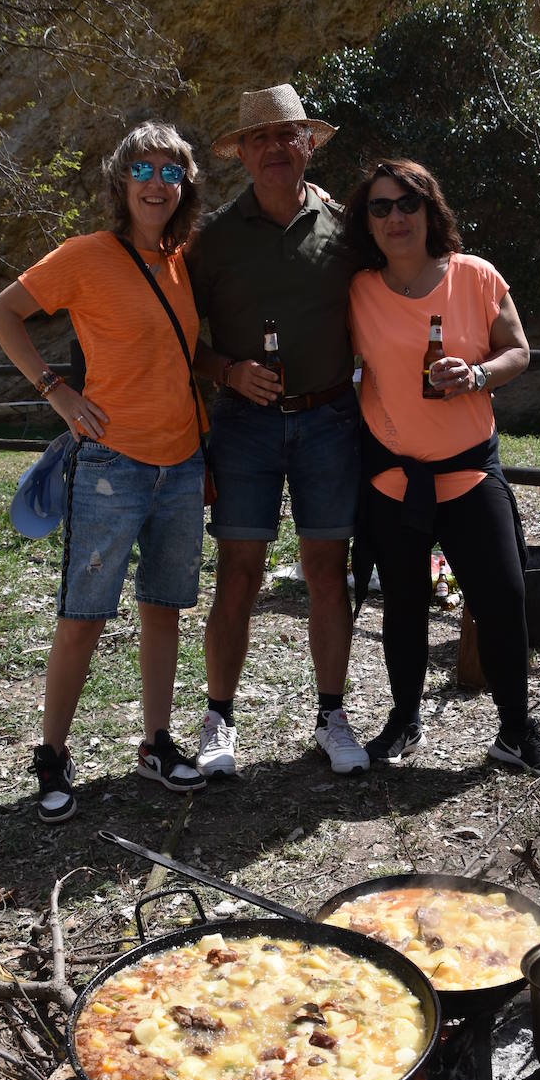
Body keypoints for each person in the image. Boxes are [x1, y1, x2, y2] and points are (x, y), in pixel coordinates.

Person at [0, 121, 209, 821]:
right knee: (83, 617)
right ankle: (52, 757)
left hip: (182, 461)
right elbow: (2, 313)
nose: (156, 184)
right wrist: (56, 389)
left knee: (162, 609)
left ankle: (156, 743)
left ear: (184, 187)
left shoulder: (182, 260)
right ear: (120, 183)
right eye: (143, 170)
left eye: (171, 173)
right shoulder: (85, 255)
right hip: (112, 464)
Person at [343, 158, 540, 774]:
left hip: (469, 471)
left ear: (429, 208)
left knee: (502, 594)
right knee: (405, 606)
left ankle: (516, 731)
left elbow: (518, 351)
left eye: (407, 203)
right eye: (380, 207)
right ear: (367, 221)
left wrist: (475, 376)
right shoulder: (357, 290)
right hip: (394, 476)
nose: (395, 217)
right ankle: (404, 720)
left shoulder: (475, 276)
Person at [186, 83, 369, 779]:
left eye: (285, 135)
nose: (272, 148)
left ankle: (331, 716)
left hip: (328, 417)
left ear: (307, 145)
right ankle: (218, 721)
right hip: (244, 427)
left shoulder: (345, 228)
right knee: (240, 574)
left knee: (328, 571)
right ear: (241, 154)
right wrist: (228, 372)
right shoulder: (214, 242)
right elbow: (179, 338)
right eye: (257, 138)